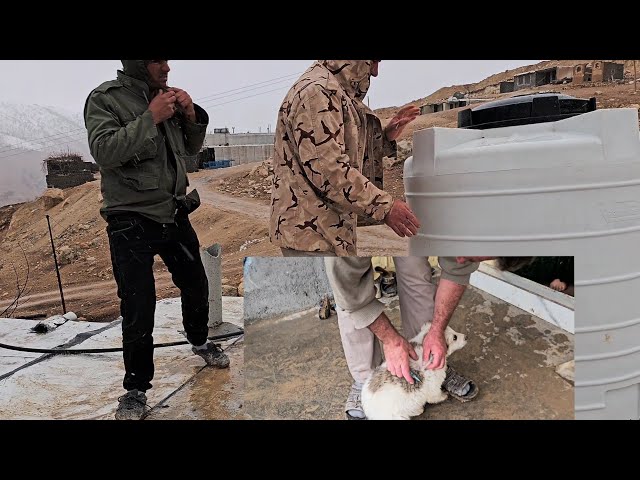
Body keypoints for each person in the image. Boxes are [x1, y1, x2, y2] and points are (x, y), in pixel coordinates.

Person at [84, 60, 229, 420]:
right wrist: (150, 117)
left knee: (196, 285)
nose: (166, 67)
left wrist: (191, 114)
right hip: (129, 218)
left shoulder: (165, 97)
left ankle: (198, 340)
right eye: (156, 61)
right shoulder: (106, 99)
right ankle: (135, 389)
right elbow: (104, 152)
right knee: (138, 304)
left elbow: (191, 151)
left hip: (172, 212)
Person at [269, 60, 421, 256]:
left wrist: (383, 138)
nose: (375, 72)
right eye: (373, 62)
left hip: (323, 231)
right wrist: (386, 207)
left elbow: (338, 151)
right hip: (312, 237)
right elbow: (327, 171)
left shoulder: (331, 88)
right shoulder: (318, 92)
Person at [324, 256, 483, 420]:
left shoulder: (464, 247)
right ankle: (366, 378)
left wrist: (436, 329)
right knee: (347, 289)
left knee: (416, 270)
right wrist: (390, 339)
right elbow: (348, 289)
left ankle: (430, 363)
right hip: (347, 237)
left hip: (414, 231)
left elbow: (459, 267)